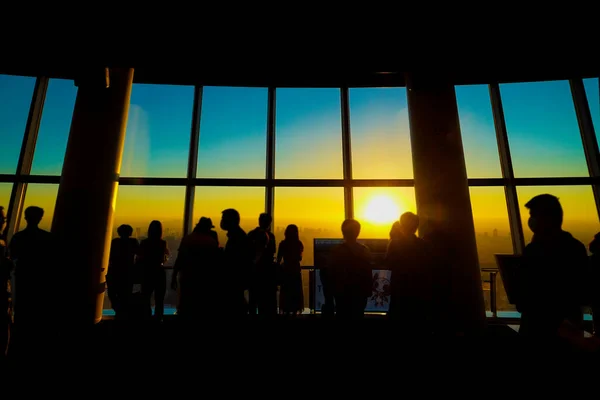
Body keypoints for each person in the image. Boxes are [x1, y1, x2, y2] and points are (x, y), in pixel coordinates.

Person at [517, 194, 589, 340]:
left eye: (533, 215)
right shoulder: (575, 247)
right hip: (567, 323)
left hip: (538, 324)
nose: (531, 220)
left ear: (546, 218)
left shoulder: (534, 250)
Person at [172, 217, 220, 320]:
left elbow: (180, 259)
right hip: (205, 280)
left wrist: (174, 276)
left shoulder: (187, 239)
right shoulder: (211, 242)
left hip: (187, 278)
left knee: (186, 305)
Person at [327, 219, 372, 319]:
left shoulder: (336, 251)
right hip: (360, 292)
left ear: (343, 232)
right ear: (358, 232)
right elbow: (368, 273)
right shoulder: (365, 251)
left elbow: (330, 272)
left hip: (342, 292)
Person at [220, 209, 252, 317]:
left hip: (234, 281)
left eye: (223, 219)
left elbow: (234, 261)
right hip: (237, 282)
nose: (221, 221)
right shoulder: (239, 236)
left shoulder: (237, 238)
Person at [138, 220, 170, 321]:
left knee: (146, 297)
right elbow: (164, 258)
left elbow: (140, 257)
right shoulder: (162, 243)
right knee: (159, 299)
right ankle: (158, 318)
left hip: (147, 272)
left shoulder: (144, 243)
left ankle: (146, 317)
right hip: (159, 273)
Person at [106, 224, 139, 320]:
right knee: (125, 295)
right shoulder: (133, 242)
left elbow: (110, 255)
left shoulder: (115, 242)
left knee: (114, 293)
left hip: (115, 271)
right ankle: (123, 314)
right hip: (128, 272)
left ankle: (119, 311)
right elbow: (139, 254)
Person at [247, 213, 277, 317]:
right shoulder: (271, 237)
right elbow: (273, 252)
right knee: (266, 303)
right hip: (268, 274)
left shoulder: (251, 234)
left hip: (254, 273)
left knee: (253, 300)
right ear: (269, 223)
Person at [277, 224, 304, 316]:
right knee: (295, 294)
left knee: (286, 294)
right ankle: (294, 313)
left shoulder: (283, 244)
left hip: (286, 272)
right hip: (296, 272)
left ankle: (286, 312)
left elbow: (278, 259)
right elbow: (299, 258)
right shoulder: (299, 244)